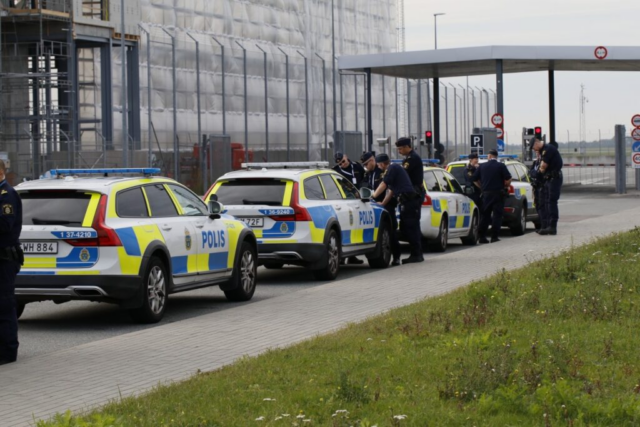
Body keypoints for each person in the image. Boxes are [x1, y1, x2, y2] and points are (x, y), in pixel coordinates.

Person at [373, 153, 424, 264]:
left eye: (378, 164)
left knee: (411, 228)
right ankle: (416, 254)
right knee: (406, 228)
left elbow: (384, 184)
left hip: (410, 202)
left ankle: (417, 255)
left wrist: (372, 197)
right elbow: (391, 191)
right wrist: (382, 203)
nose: (377, 166)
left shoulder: (392, 168)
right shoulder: (394, 169)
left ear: (382, 163)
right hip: (407, 202)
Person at [0, 159, 23, 365]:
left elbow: (5, 225)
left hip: (5, 260)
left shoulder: (6, 195)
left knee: (4, 304)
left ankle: (7, 352)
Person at [361, 152, 401, 266]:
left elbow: (388, 188)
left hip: (386, 204)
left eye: (366, 164)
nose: (365, 166)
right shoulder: (369, 174)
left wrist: (383, 202)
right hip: (374, 205)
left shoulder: (383, 171)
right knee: (379, 232)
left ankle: (397, 257)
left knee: (391, 231)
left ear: (372, 160)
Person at [472, 149, 512, 244]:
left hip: (486, 194)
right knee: (497, 216)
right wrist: (506, 185)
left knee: (485, 215)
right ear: (496, 156)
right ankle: (494, 237)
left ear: (489, 156)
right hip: (498, 194)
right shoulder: (501, 166)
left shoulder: (482, 166)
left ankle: (482, 237)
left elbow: (474, 179)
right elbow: (508, 178)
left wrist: (481, 187)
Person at [529, 136, 563, 235]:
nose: (533, 150)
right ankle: (547, 226)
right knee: (547, 202)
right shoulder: (543, 150)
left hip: (554, 178)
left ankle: (552, 227)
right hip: (548, 179)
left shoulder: (548, 149)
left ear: (536, 143)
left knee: (551, 202)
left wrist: (537, 172)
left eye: (533, 147)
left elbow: (543, 167)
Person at [529, 150, 546, 233]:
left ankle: (543, 225)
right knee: (537, 206)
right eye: (536, 153)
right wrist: (535, 173)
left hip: (542, 187)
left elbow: (540, 174)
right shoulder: (535, 162)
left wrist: (535, 173)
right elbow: (530, 172)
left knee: (543, 206)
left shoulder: (543, 162)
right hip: (535, 187)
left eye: (538, 153)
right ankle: (539, 225)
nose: (537, 154)